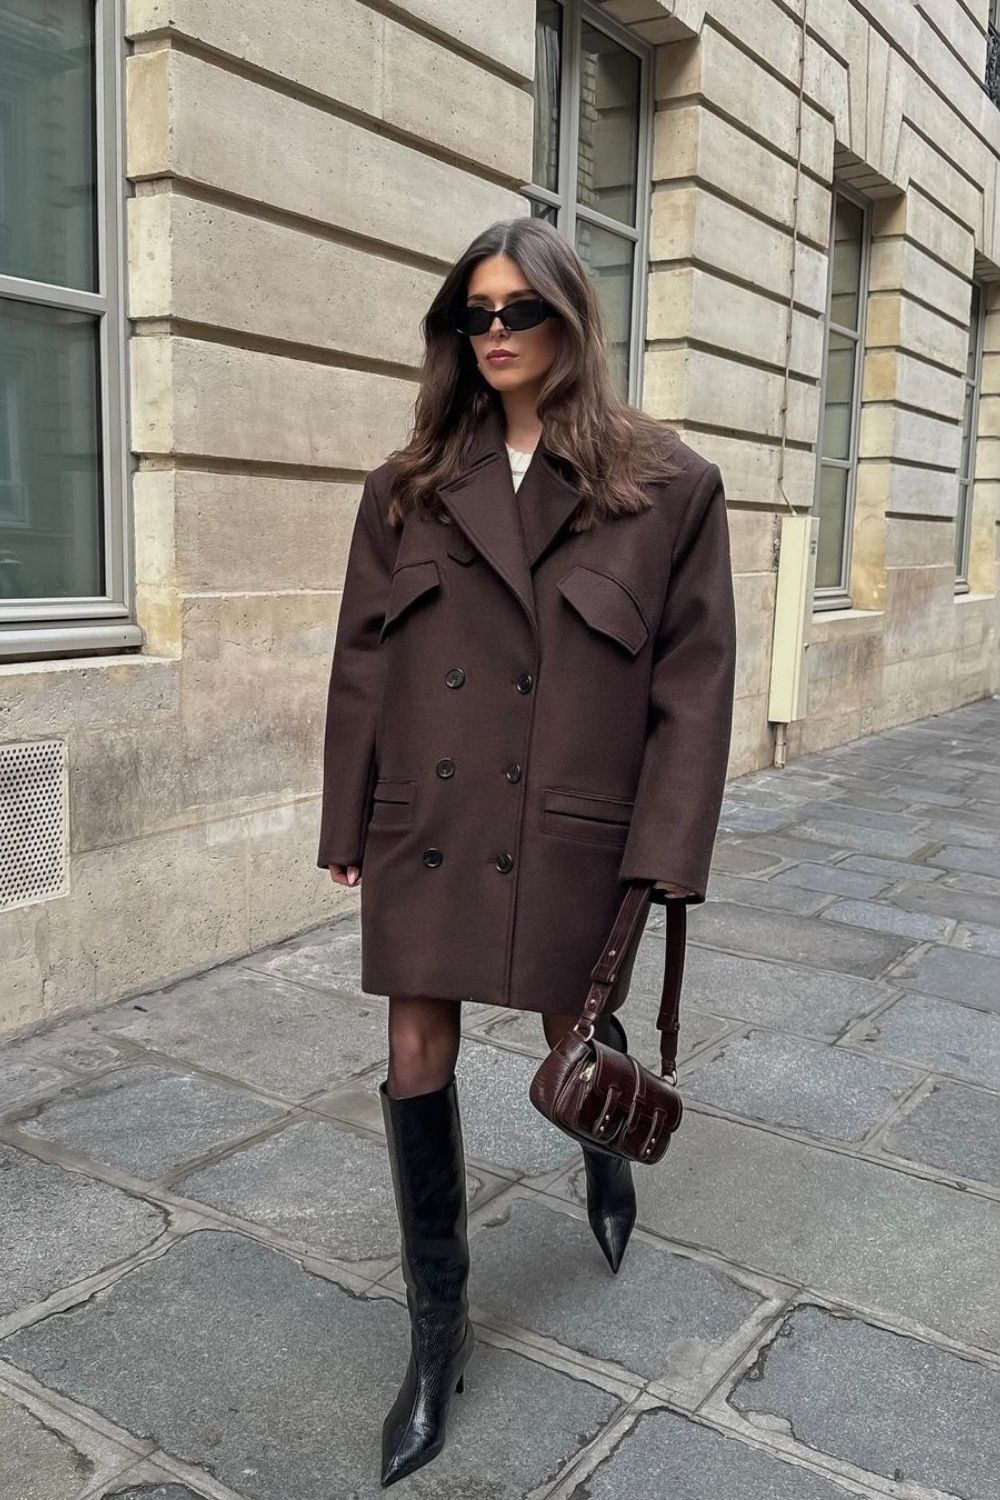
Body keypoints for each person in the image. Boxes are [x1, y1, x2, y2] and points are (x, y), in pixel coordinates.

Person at [317, 216, 737, 1487]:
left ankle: (601, 1150)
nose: (494, 334)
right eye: (474, 315)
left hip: (572, 822)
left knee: (577, 1034)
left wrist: (667, 849)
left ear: (571, 321)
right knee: (411, 1047)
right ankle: (435, 1330)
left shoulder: (666, 484)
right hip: (430, 826)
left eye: (519, 311)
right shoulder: (407, 486)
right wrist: (348, 819)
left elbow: (694, 684)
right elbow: (361, 664)